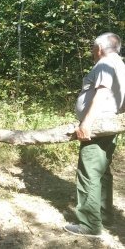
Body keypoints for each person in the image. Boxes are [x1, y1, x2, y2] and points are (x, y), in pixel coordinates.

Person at [64, 32, 125, 236]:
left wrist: (86, 123)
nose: (92, 52)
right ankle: (104, 215)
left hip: (98, 125)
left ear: (99, 48)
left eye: (92, 48)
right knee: (102, 171)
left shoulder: (104, 63)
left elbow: (101, 92)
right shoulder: (121, 64)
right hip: (110, 123)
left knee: (89, 172)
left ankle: (89, 225)